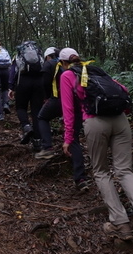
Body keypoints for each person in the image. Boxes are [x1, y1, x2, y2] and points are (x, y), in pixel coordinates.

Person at [59, 48, 133, 239]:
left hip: (95, 121)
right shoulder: (96, 69)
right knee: (125, 170)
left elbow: (68, 110)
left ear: (63, 63)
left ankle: (121, 224)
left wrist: (68, 139)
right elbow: (122, 89)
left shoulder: (67, 75)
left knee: (101, 171)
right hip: (120, 120)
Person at [33, 47, 92, 188]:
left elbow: (47, 84)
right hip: (82, 107)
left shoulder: (62, 71)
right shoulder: (86, 69)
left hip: (60, 100)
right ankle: (81, 179)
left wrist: (47, 98)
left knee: (41, 117)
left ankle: (47, 147)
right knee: (74, 140)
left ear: (62, 61)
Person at [10, 41, 45, 145]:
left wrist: (10, 87)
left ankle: (26, 127)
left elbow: (13, 71)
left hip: (23, 82)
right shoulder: (39, 56)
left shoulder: (18, 56)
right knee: (36, 111)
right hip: (39, 83)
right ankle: (38, 142)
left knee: (21, 107)